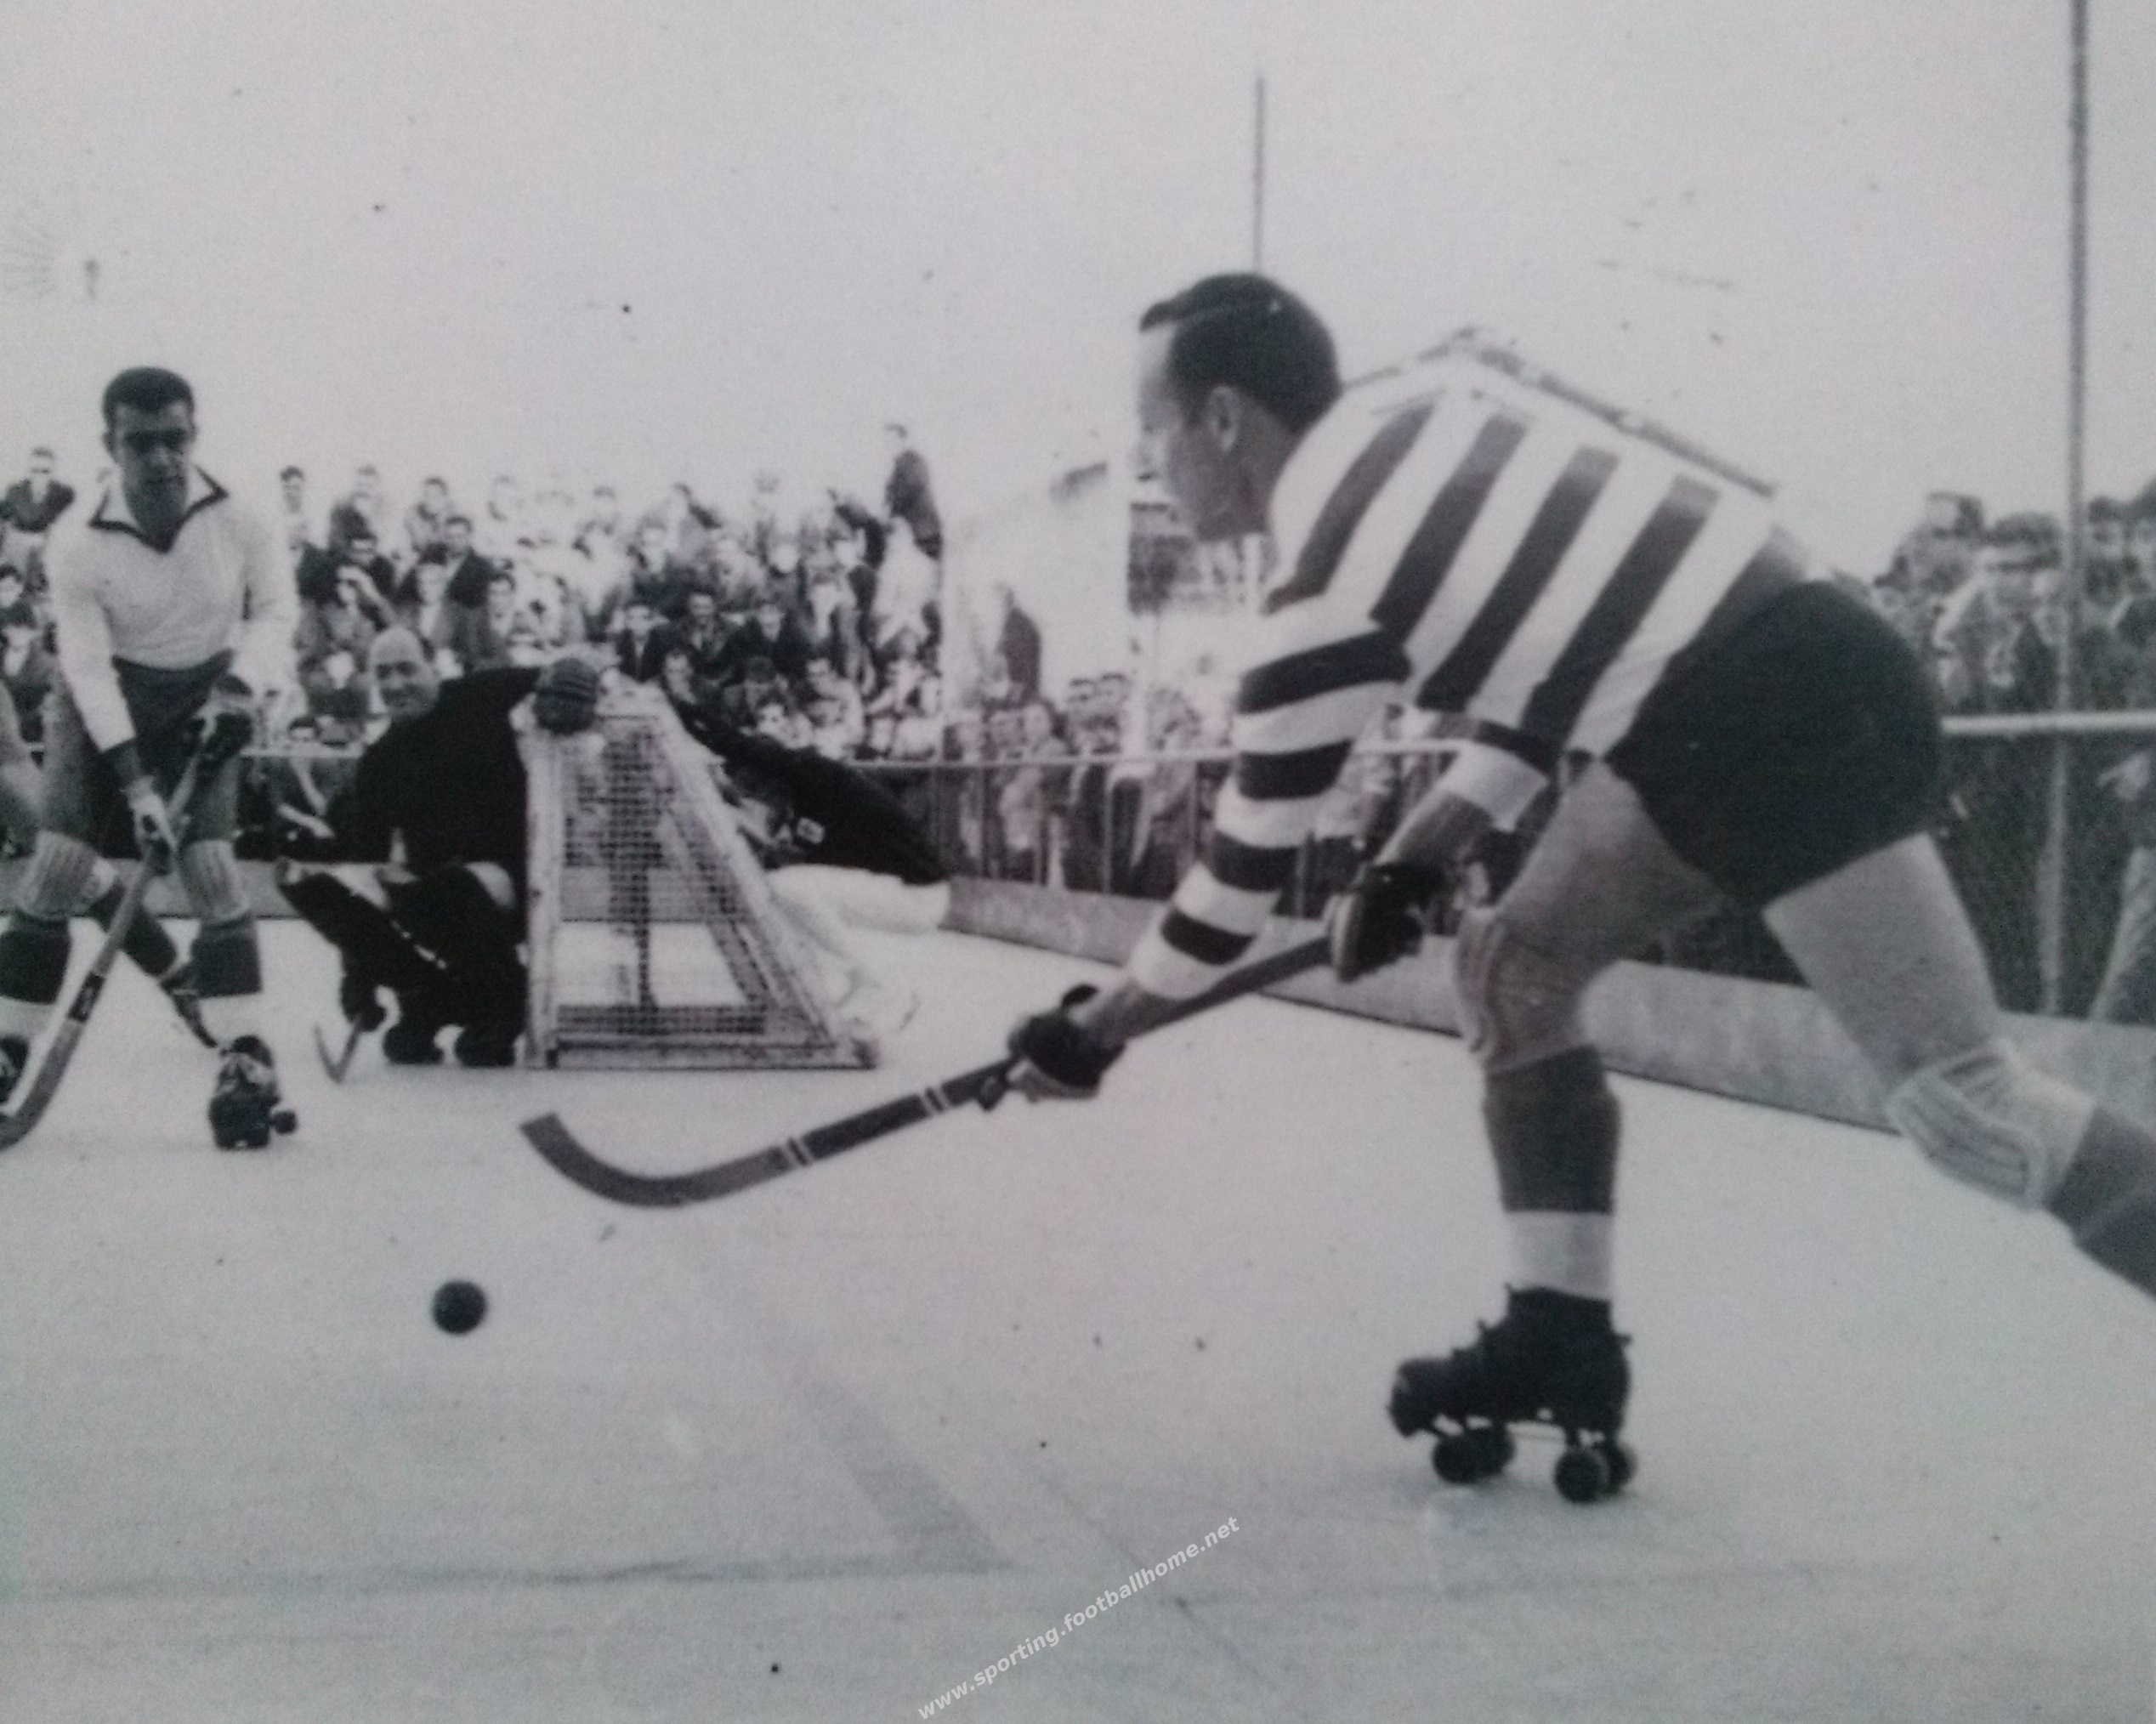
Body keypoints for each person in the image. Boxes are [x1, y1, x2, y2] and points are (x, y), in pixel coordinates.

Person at [1005, 274, 2156, 1489]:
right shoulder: (1432, 404)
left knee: (1967, 1105)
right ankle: (1560, 1333)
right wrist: (1414, 854)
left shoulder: (1320, 600)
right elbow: (1568, 653)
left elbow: (1229, 898)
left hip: (1766, 713)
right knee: (1517, 968)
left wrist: (1090, 1032)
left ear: (1225, 418)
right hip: (1769, 674)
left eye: (1152, 432)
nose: (1151, 466)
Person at [2, 366, 293, 1147]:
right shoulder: (75, 539)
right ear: (112, 445)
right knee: (59, 864)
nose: (163, 458)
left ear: (194, 435)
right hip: (105, 693)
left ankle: (244, 1057)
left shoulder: (244, 511)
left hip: (210, 691)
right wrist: (137, 790)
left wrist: (240, 687)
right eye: (141, 443)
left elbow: (275, 611)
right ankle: (8, 1047)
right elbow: (89, 674)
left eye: (176, 438)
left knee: (211, 869)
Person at [275, 631, 599, 1067]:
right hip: (429, 896)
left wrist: (573, 686)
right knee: (317, 887)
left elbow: (569, 665)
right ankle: (426, 993)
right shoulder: (379, 761)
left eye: (406, 669)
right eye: (383, 674)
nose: (395, 684)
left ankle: (502, 1001)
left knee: (444, 887)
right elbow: (368, 863)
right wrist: (358, 972)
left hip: (514, 877)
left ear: (433, 666)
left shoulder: (477, 695)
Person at [672, 696, 949, 1039]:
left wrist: (677, 705)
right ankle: (859, 982)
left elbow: (736, 743)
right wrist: (744, 822)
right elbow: (802, 862)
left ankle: (884, 988)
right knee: (787, 897)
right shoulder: (802, 808)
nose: (758, 798)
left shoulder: (812, 771)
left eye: (756, 788)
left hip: (918, 893)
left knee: (786, 889)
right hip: (897, 888)